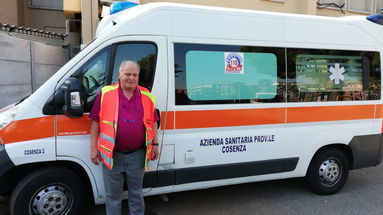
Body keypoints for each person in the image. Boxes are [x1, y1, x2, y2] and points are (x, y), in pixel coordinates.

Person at [89, 60, 159, 215]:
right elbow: (95, 123)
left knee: (136, 194)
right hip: (112, 156)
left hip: (137, 155)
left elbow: (153, 122)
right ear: (119, 75)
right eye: (127, 74)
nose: (131, 78)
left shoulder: (147, 96)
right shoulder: (106, 94)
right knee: (113, 197)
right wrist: (94, 148)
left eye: (135, 75)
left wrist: (155, 143)